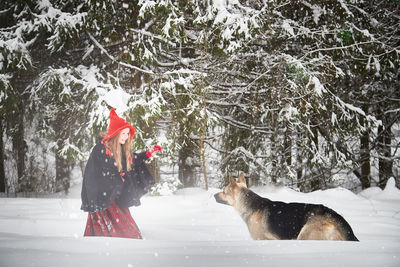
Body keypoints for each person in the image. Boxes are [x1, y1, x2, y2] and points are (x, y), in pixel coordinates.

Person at [81, 108, 161, 238]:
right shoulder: (101, 149)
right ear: (115, 133)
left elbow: (131, 160)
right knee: (110, 232)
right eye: (123, 133)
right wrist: (118, 177)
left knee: (128, 232)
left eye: (127, 134)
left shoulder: (120, 149)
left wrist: (148, 154)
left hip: (114, 196)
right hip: (102, 198)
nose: (126, 137)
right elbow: (99, 173)